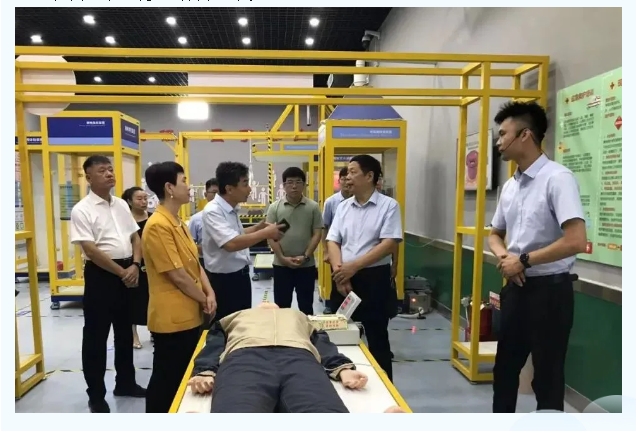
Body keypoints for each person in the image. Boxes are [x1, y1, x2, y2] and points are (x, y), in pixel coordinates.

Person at [488, 101, 587, 413]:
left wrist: (524, 260)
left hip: (550, 293)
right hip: (516, 289)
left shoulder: (558, 178)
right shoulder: (510, 186)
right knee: (504, 371)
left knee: (547, 378)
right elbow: (494, 233)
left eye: (503, 134)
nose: (498, 141)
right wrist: (506, 258)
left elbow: (576, 240)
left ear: (525, 135)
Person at [186, 301, 369, 413]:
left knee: (322, 411)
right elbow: (214, 343)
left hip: (299, 359)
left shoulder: (299, 316)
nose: (267, 303)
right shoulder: (234, 317)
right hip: (246, 358)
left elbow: (321, 341)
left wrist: (342, 368)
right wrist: (205, 371)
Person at [69, 155, 146, 413]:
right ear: (89, 177)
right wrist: (122, 272)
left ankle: (125, 383)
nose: (109, 174)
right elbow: (90, 250)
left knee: (124, 332)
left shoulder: (122, 205)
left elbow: (135, 237)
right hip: (101, 276)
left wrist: (135, 265)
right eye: (102, 171)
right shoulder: (82, 209)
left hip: (128, 270)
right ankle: (96, 395)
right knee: (96, 337)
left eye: (110, 169)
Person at [141, 161, 217, 413]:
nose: (189, 186)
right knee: (167, 378)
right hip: (171, 318)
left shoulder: (178, 222)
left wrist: (209, 292)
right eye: (184, 181)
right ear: (169, 188)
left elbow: (194, 264)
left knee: (183, 373)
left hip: (189, 312)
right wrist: (204, 299)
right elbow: (177, 275)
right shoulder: (157, 226)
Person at [326, 155, 403, 382]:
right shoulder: (343, 207)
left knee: (377, 338)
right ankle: (344, 381)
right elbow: (333, 241)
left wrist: (354, 267)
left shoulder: (389, 206)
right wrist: (341, 273)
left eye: (353, 172)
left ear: (369, 176)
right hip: (343, 278)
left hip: (374, 279)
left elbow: (389, 243)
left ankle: (385, 389)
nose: (347, 177)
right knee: (340, 336)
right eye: (347, 172)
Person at [201, 161, 285, 320]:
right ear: (229, 189)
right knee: (228, 325)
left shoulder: (231, 209)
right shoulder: (213, 211)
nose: (249, 189)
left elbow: (236, 234)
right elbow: (231, 243)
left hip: (240, 277)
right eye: (245, 184)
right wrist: (265, 233)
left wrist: (258, 228)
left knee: (242, 322)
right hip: (224, 282)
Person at [265, 167, 323, 315]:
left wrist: (306, 256)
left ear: (304, 185)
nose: (294, 186)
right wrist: (282, 258)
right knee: (282, 307)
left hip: (306, 266)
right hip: (281, 266)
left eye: (298, 182)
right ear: (284, 185)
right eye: (290, 182)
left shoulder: (313, 207)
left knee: (306, 306)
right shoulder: (275, 207)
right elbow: (270, 235)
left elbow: (317, 234)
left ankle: (307, 330)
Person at [122, 186, 152, 349]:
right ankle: (133, 335)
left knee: (152, 298)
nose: (143, 202)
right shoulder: (126, 222)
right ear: (129, 201)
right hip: (133, 265)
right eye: (139, 199)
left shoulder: (153, 219)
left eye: (145, 198)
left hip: (152, 266)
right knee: (132, 300)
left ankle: (155, 330)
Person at [320, 166, 352, 314]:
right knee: (338, 282)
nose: (346, 182)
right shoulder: (331, 202)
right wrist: (326, 251)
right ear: (339, 181)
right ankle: (335, 312)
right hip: (336, 250)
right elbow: (324, 227)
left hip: (353, 252)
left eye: (349, 178)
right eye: (343, 179)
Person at [188, 178, 219, 267]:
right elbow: (189, 243)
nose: (218, 197)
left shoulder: (228, 216)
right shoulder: (196, 219)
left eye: (220, 193)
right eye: (214, 193)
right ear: (205, 194)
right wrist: (204, 249)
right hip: (204, 262)